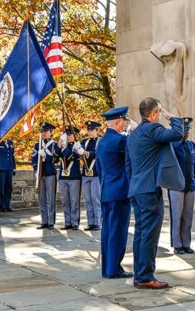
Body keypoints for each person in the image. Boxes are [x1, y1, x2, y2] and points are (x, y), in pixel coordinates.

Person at [126, 97, 184, 289]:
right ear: (153, 114)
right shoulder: (152, 129)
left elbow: (128, 166)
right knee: (150, 234)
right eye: (159, 112)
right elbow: (177, 133)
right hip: (149, 189)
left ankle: (139, 274)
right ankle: (145, 277)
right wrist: (171, 116)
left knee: (141, 234)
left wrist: (135, 184)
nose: (160, 115)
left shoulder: (134, 135)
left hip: (137, 188)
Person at [96, 107, 133, 279]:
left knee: (108, 231)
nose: (125, 125)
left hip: (106, 191)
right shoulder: (120, 140)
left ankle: (107, 268)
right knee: (118, 232)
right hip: (119, 193)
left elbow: (99, 169)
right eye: (124, 122)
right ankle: (114, 269)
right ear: (118, 122)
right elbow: (136, 147)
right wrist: (135, 130)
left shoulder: (102, 141)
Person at [168, 117, 195, 254]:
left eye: (188, 130)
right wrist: (177, 139)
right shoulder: (173, 145)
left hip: (190, 185)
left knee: (188, 216)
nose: (186, 132)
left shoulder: (192, 145)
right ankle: (177, 244)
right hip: (176, 186)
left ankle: (186, 244)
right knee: (176, 216)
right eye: (184, 130)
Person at [31, 123, 58, 230]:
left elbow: (55, 160)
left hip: (50, 174)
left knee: (50, 199)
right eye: (43, 131)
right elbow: (33, 159)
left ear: (51, 133)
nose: (44, 133)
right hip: (41, 175)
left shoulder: (54, 145)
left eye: (46, 131)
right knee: (41, 199)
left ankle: (51, 222)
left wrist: (45, 157)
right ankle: (44, 221)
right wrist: (36, 171)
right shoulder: (37, 145)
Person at [55, 126, 83, 230]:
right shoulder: (62, 144)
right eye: (67, 134)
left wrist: (64, 148)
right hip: (63, 177)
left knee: (74, 201)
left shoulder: (77, 145)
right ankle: (67, 222)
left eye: (70, 134)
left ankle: (75, 222)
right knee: (65, 201)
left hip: (74, 176)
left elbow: (72, 157)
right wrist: (60, 141)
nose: (68, 136)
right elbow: (56, 156)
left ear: (74, 135)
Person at [78, 121, 102, 231]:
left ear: (97, 130)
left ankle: (97, 222)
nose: (90, 132)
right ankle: (90, 222)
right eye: (88, 130)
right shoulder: (84, 141)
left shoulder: (100, 142)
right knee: (87, 200)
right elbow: (80, 154)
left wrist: (85, 153)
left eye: (92, 130)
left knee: (95, 199)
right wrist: (78, 150)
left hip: (96, 174)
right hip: (86, 174)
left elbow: (97, 154)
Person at [0, 138, 16, 212]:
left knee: (9, 187)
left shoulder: (10, 142)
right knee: (1, 188)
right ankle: (2, 206)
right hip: (1, 168)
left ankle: (7, 205)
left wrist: (14, 167)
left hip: (9, 168)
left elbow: (12, 156)